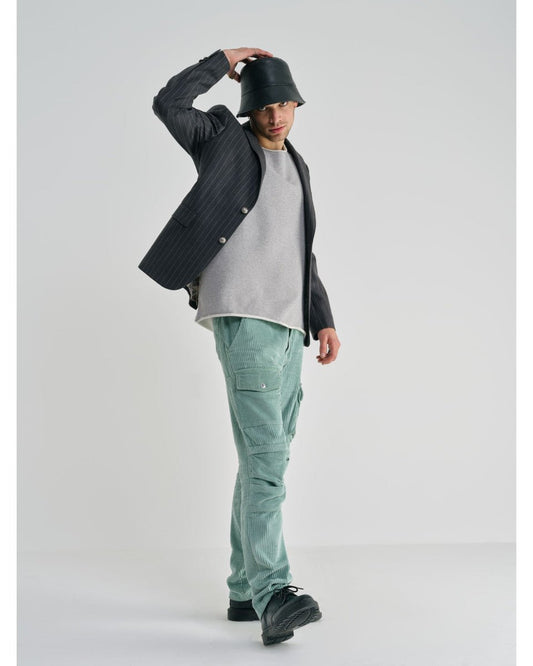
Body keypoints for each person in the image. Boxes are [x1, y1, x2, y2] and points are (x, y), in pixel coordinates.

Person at [138, 46, 341, 646]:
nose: (276, 116)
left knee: (263, 458)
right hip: (244, 317)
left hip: (290, 326)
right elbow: (168, 103)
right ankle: (274, 592)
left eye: (285, 105)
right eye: (266, 106)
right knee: (267, 460)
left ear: (297, 106)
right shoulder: (222, 141)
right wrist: (219, 60)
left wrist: (323, 319)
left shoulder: (298, 166)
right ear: (249, 108)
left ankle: (242, 590)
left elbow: (300, 252)